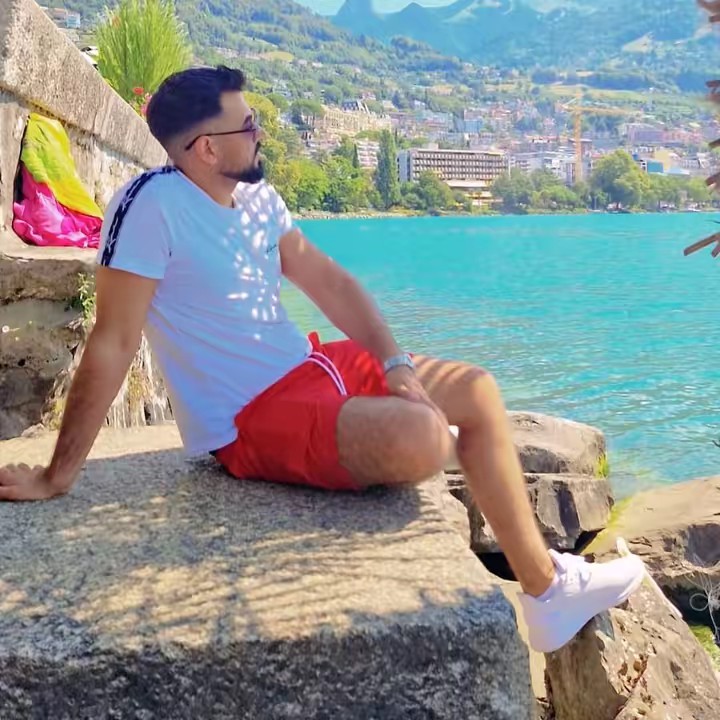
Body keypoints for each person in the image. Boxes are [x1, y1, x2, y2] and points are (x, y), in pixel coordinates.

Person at [0, 66, 645, 653]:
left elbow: (329, 282)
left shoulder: (257, 198)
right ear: (205, 149)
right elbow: (112, 341)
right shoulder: (150, 207)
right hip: (249, 419)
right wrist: (59, 474)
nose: (260, 133)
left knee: (476, 389)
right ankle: (471, 494)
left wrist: (393, 362)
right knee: (423, 437)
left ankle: (545, 589)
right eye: (247, 126)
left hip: (308, 366)